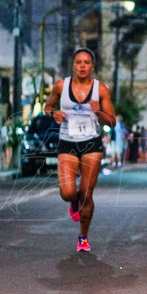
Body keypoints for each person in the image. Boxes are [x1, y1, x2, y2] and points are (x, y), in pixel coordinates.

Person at [44, 48, 116, 252]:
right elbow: (48, 106)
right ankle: (73, 202)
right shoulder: (61, 86)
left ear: (92, 66)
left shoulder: (100, 89)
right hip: (67, 142)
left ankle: (83, 236)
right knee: (67, 193)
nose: (82, 66)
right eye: (78, 62)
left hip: (91, 143)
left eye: (86, 62)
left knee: (86, 193)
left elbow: (112, 121)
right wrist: (53, 113)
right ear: (73, 65)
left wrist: (98, 112)